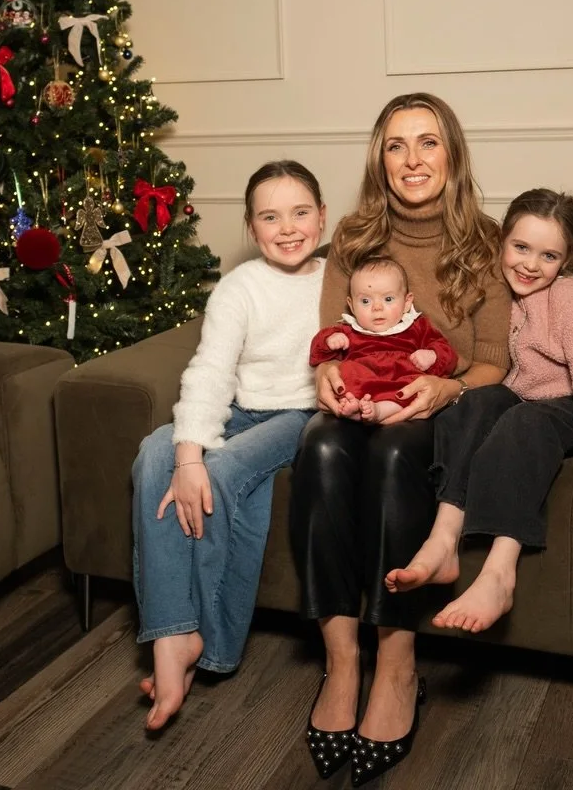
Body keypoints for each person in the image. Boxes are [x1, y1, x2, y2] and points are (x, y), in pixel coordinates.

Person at [289, 93, 511, 786]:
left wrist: (444, 389)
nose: (412, 160)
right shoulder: (354, 236)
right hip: (360, 400)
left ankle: (396, 665)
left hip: (441, 405)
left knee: (393, 456)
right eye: (396, 145)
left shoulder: (486, 242)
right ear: (379, 159)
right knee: (321, 446)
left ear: (452, 155)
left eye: (428, 142)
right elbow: (331, 341)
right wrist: (327, 378)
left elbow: (493, 363)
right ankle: (342, 661)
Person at [386, 188, 573, 635]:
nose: (530, 265)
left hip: (565, 406)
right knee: (475, 402)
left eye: (548, 256)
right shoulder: (493, 292)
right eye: (521, 247)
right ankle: (443, 540)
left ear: (566, 259)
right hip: (516, 399)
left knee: (522, 422)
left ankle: (499, 573)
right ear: (501, 241)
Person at [130, 160, 326, 731]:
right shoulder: (239, 287)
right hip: (242, 408)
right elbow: (212, 370)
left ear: (322, 216)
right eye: (270, 217)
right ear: (250, 225)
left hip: (302, 414)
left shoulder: (337, 279)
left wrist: (203, 467)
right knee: (155, 454)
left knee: (222, 472)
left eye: (300, 213)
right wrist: (187, 455)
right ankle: (173, 634)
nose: (287, 228)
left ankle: (213, 644)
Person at [308, 255, 458, 423]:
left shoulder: (417, 327)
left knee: (414, 385)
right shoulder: (348, 330)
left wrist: (432, 355)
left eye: (388, 299)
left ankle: (379, 411)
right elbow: (317, 354)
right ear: (351, 306)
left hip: (400, 381)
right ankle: (354, 407)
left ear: (407, 302)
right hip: (361, 385)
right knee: (347, 373)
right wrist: (329, 341)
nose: (377, 308)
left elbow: (448, 354)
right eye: (365, 301)